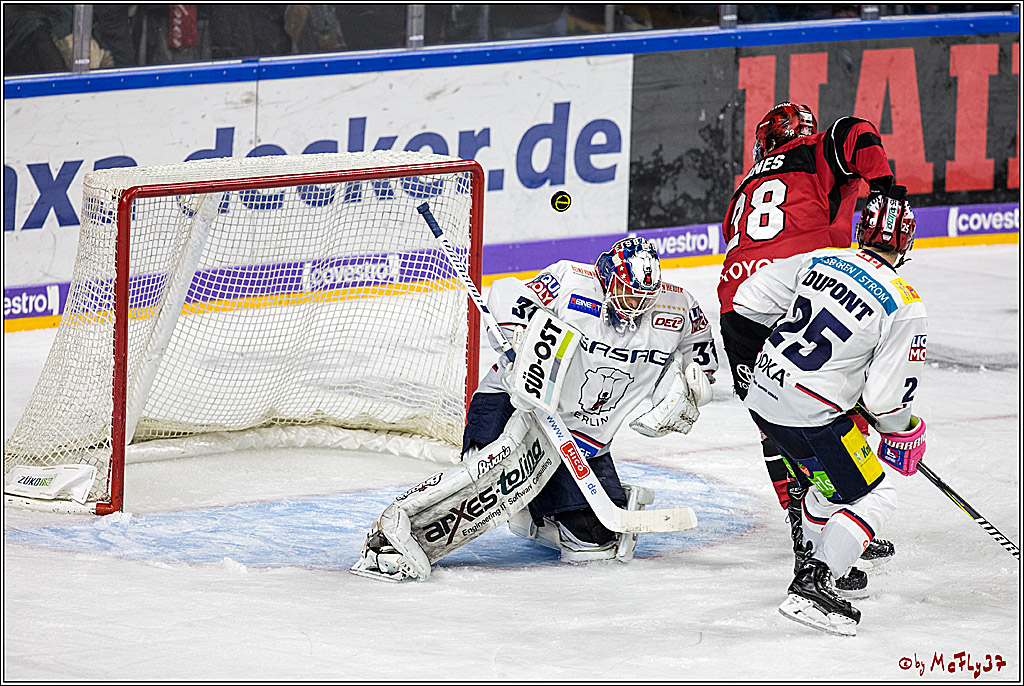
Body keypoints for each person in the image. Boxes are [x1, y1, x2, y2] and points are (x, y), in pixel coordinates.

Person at [352, 237, 719, 581]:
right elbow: (509, 291)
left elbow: (702, 358)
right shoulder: (571, 280)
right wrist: (516, 332)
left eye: (643, 297)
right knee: (487, 479)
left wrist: (691, 385)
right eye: (626, 292)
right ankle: (391, 538)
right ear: (606, 277)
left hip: (582, 439)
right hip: (514, 404)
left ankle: (537, 509)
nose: (634, 305)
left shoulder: (678, 307)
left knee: (596, 543)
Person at [717, 102, 898, 590]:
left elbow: (740, 245)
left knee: (774, 420)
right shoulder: (814, 152)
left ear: (764, 141)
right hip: (806, 294)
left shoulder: (744, 187)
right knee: (831, 410)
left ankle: (807, 525)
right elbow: (856, 132)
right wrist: (883, 185)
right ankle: (836, 513)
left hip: (739, 308)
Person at [733, 185, 925, 635]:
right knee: (876, 496)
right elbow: (885, 402)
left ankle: (824, 565)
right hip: (813, 415)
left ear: (861, 231)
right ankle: (812, 586)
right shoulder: (904, 303)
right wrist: (906, 430)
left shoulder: (822, 259)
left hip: (763, 394)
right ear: (907, 243)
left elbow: (748, 300)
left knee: (827, 490)